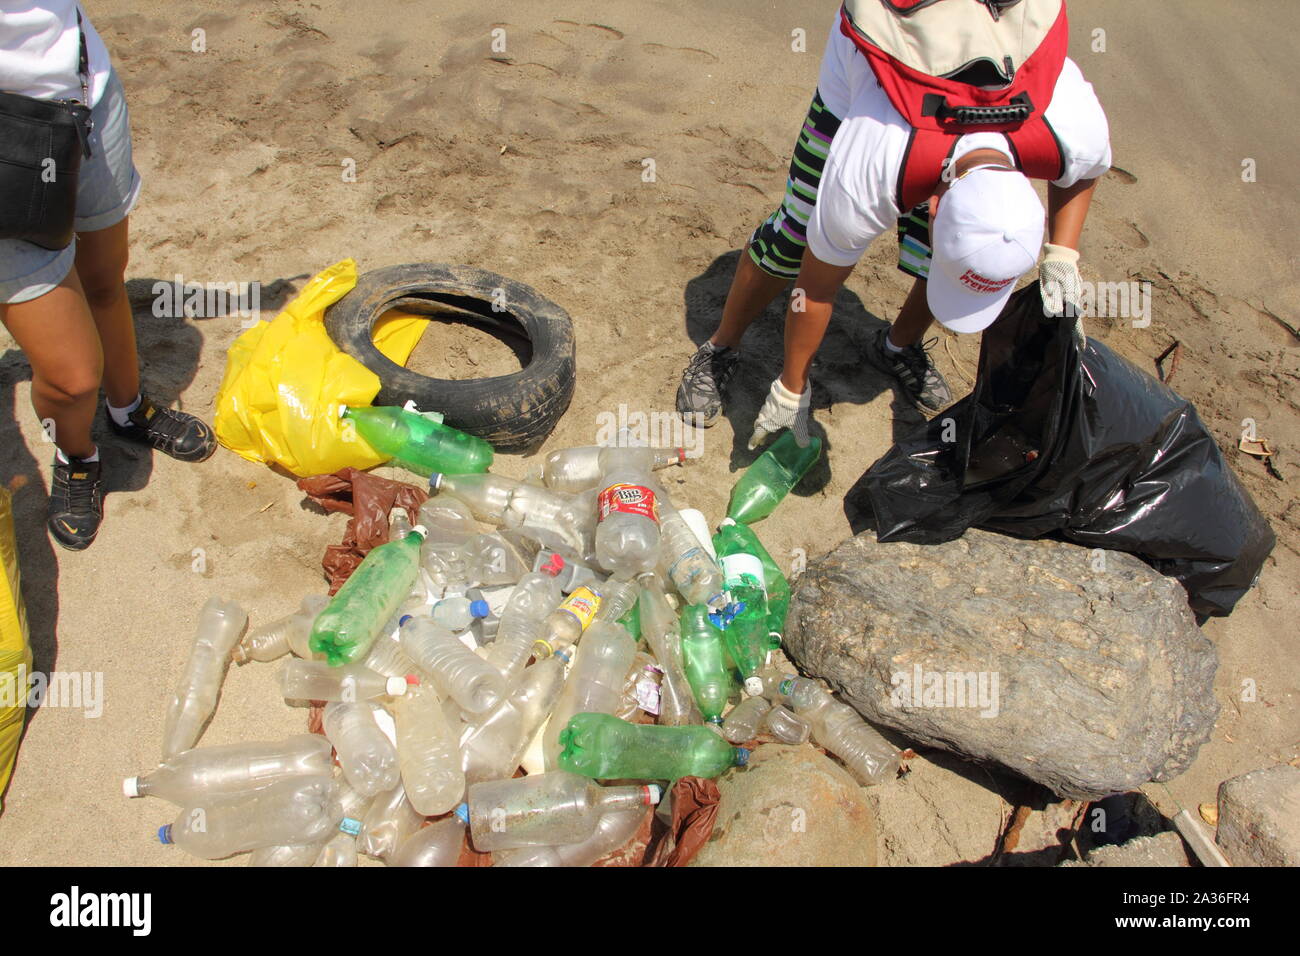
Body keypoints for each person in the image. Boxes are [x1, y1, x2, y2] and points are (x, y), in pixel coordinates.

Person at [676, 0, 1110, 448]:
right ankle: (721, 346)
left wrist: (1062, 255)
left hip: (976, 67)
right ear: (936, 208)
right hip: (868, 81)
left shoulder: (1070, 131)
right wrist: (791, 389)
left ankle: (897, 346)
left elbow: (1083, 170)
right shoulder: (870, 166)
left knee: (948, 252)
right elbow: (816, 288)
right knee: (795, 235)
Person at [0, 1, 215, 551]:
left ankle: (128, 409)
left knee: (103, 280)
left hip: (82, 93)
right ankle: (77, 455)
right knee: (71, 376)